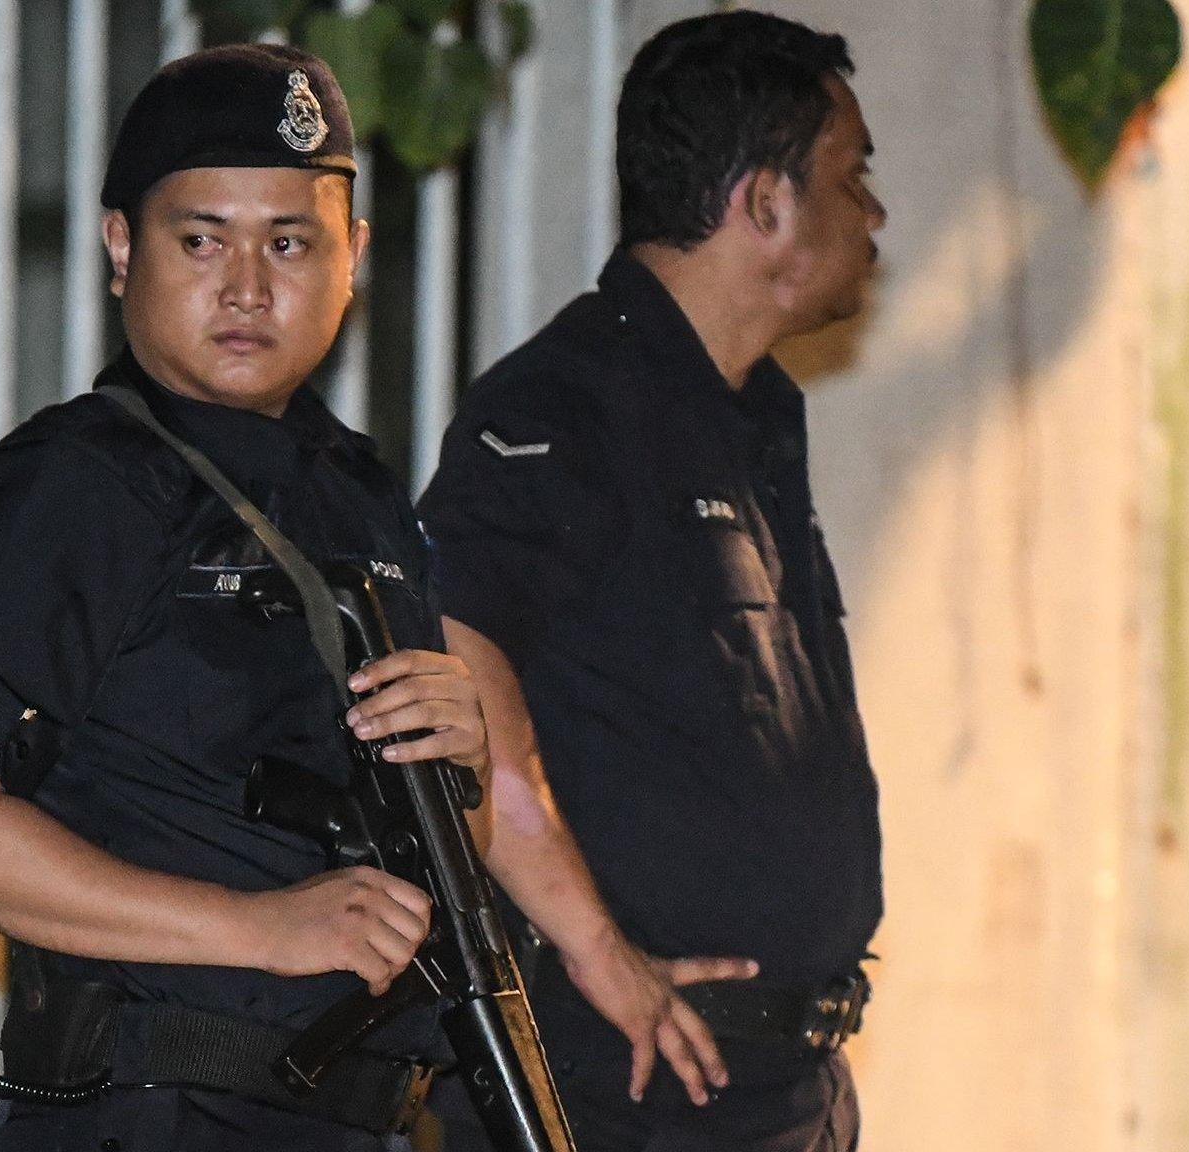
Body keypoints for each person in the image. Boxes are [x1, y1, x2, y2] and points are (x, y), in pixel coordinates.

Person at [0, 45, 491, 1151]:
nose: (247, 287)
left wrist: (463, 757)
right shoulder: (73, 483)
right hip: (153, 1113)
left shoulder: (355, 491)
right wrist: (259, 929)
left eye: (290, 243)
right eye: (201, 239)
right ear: (122, 248)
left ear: (353, 257)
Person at [415, 12, 889, 1151]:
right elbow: (448, 664)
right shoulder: (562, 406)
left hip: (779, 1088)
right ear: (763, 202)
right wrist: (591, 943)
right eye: (851, 174)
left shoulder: (755, 411)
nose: (872, 211)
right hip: (625, 1086)